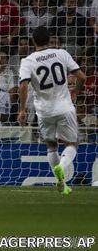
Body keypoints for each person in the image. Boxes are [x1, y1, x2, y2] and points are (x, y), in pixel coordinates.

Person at [17, 27, 86, 195]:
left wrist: (22, 110)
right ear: (50, 40)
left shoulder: (28, 61)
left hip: (44, 111)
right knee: (72, 144)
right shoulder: (62, 54)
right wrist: (75, 91)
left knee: (51, 146)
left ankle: (60, 182)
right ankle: (62, 167)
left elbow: (23, 85)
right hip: (64, 107)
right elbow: (82, 77)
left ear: (33, 41)